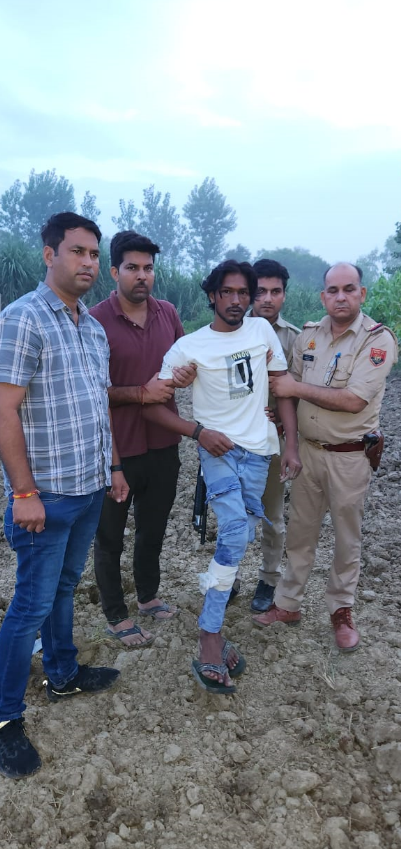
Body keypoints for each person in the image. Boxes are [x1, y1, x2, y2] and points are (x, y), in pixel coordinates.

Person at [0, 212, 129, 779]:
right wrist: (23, 492)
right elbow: (4, 409)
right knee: (29, 604)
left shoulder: (91, 327)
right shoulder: (23, 318)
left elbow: (99, 407)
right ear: (49, 254)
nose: (88, 263)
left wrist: (114, 467)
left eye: (94, 254)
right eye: (77, 251)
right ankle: (5, 718)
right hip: (46, 495)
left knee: (64, 587)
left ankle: (62, 674)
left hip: (89, 486)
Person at [147, 260, 302, 694]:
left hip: (259, 454)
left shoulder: (262, 331)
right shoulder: (189, 347)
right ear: (213, 295)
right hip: (218, 451)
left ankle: (216, 627)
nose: (236, 300)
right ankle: (210, 635)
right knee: (234, 532)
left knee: (241, 537)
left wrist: (289, 444)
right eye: (227, 292)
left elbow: (281, 388)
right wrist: (198, 432)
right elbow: (152, 404)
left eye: (243, 293)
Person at [252, 262, 398, 650]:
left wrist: (294, 388)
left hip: (349, 456)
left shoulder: (377, 340)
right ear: (323, 297)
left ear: (361, 294)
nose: (341, 297)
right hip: (308, 452)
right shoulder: (309, 337)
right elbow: (286, 393)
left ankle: (341, 610)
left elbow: (353, 400)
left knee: (347, 538)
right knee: (300, 532)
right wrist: (289, 442)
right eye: (333, 290)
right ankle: (288, 604)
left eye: (349, 289)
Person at [90, 231, 196, 647]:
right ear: (114, 271)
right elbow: (91, 391)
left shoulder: (167, 313)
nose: (142, 276)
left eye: (148, 268)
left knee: (153, 529)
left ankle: (148, 596)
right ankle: (116, 615)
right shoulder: (95, 321)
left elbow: (184, 365)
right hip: (116, 450)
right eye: (132, 267)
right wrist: (139, 393)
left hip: (163, 443)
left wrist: (186, 375)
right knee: (110, 537)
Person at [248, 259, 301, 611]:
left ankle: (268, 578)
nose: (267, 298)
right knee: (235, 515)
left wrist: (282, 421)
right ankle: (229, 576)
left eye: (275, 291)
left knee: (272, 515)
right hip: (234, 442)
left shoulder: (294, 339)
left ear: (284, 294)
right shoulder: (232, 329)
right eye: (260, 291)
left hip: (274, 440)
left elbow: (297, 392)